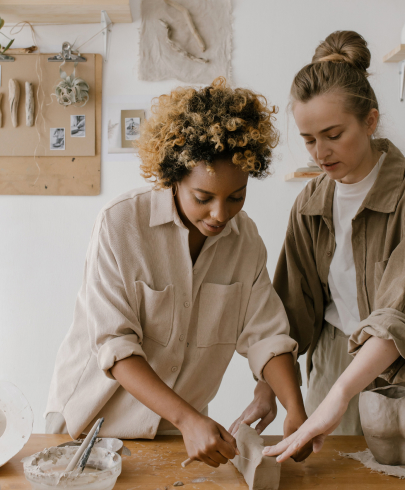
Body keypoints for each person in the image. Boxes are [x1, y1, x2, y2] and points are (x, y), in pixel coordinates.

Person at [45, 77, 312, 466]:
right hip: (90, 428)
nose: (221, 215)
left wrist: (295, 410)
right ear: (173, 177)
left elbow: (266, 336)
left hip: (176, 435)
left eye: (236, 197)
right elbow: (115, 347)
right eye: (203, 198)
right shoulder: (120, 225)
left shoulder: (245, 240)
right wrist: (189, 418)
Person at [230, 31, 405, 462]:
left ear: (370, 121)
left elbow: (402, 311)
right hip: (333, 365)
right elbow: (290, 311)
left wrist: (342, 395)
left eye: (333, 134)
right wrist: (269, 391)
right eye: (307, 139)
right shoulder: (310, 203)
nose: (320, 153)